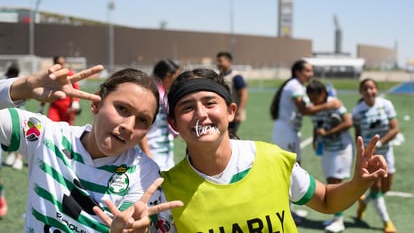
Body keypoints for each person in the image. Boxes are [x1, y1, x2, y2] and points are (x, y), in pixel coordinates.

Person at [95, 67, 388, 233]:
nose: (200, 114)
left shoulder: (272, 158)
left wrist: (358, 183)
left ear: (231, 111)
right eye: (187, 108)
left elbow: (325, 201)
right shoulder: (166, 191)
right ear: (173, 123)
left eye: (210, 103)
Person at [0, 64, 181, 232]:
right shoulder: (46, 136)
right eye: (122, 108)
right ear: (96, 104)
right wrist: (22, 87)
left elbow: (129, 224)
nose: (129, 126)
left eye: (143, 120)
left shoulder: (145, 174)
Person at [269, 59, 340, 222]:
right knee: (288, 171)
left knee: (294, 170)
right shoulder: (294, 85)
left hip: (291, 131)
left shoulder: (298, 86)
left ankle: (290, 208)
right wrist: (330, 105)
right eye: (308, 71)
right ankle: (285, 211)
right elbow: (305, 109)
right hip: (286, 131)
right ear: (298, 72)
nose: (311, 74)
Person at [306, 79, 354, 233]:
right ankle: (335, 216)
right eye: (311, 98)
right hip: (328, 148)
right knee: (330, 181)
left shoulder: (334, 103)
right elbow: (317, 125)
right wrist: (315, 139)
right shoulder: (315, 108)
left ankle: (339, 221)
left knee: (336, 181)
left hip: (341, 148)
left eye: (315, 98)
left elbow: (348, 122)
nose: (313, 102)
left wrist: (327, 133)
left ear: (323, 93)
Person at [352, 78, 399, 233]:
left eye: (372, 88)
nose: (369, 91)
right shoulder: (357, 111)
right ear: (361, 92)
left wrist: (379, 144)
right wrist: (364, 155)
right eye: (365, 88)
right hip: (370, 156)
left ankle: (364, 201)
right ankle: (387, 222)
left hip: (386, 152)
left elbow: (394, 129)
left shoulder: (386, 105)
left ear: (376, 89)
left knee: (386, 187)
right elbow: (358, 135)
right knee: (377, 187)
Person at [139, 59, 181, 171]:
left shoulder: (164, 97)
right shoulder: (150, 96)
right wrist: (147, 154)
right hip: (153, 153)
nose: (176, 82)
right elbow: (140, 126)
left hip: (166, 154)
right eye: (175, 78)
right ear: (167, 77)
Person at [39, 56, 81, 125]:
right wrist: (41, 106)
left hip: (67, 108)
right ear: (55, 64)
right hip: (54, 107)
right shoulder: (51, 76)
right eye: (59, 63)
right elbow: (46, 91)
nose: (62, 66)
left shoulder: (69, 73)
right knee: (52, 126)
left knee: (67, 130)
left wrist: (75, 102)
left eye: (63, 63)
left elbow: (75, 88)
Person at [216, 51, 248, 134]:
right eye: (217, 61)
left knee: (229, 136)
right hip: (222, 112)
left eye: (220, 61)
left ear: (228, 61)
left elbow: (244, 94)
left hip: (232, 113)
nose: (218, 63)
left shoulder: (236, 76)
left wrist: (239, 111)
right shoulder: (219, 76)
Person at [3, 63, 25, 170]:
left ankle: (19, 158)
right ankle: (10, 154)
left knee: (20, 134)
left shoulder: (20, 80)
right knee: (8, 134)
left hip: (19, 110)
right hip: (6, 110)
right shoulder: (5, 79)